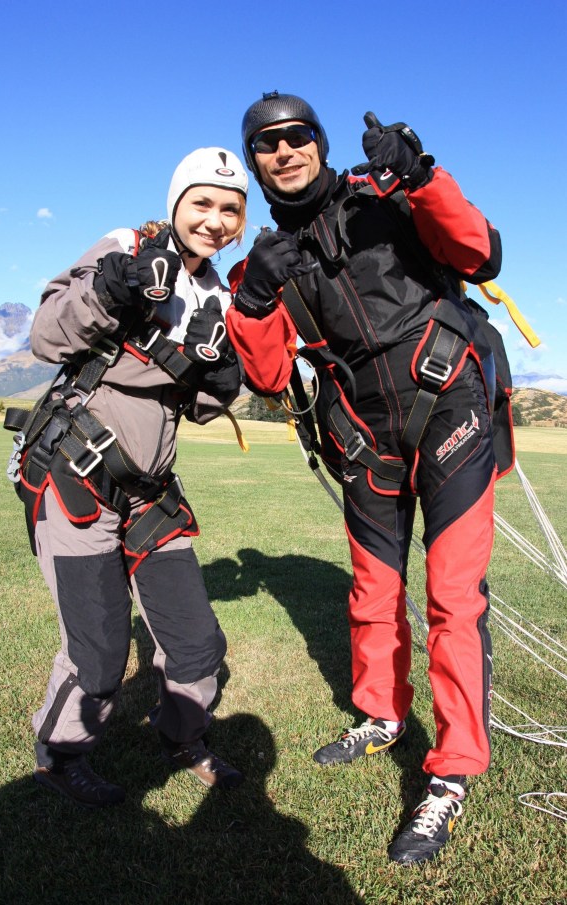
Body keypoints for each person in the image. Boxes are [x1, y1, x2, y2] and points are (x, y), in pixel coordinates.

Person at [226, 91, 504, 865]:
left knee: (453, 598)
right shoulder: (262, 265)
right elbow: (270, 370)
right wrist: (251, 301)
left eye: (296, 137)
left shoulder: (384, 195)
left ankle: (449, 775)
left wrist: (423, 175)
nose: (284, 153)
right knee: (372, 593)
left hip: (451, 410)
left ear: (318, 141)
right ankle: (381, 715)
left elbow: (480, 252)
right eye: (266, 146)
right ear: (256, 163)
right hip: (364, 442)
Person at [5, 147, 249, 807]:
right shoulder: (125, 245)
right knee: (99, 649)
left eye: (230, 209)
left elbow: (191, 403)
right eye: (202, 202)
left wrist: (223, 382)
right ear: (177, 203)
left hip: (152, 489)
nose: (215, 219)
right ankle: (61, 757)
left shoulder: (219, 295)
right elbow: (47, 336)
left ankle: (184, 738)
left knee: (198, 641)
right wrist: (109, 290)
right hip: (76, 474)